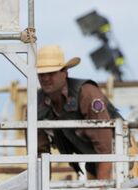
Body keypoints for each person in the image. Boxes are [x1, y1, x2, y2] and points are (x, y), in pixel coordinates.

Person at [37, 44, 122, 180]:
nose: (45, 78)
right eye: (41, 74)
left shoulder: (87, 94)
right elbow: (39, 153)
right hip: (95, 162)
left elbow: (105, 147)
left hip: (120, 161)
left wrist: (100, 188)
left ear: (64, 73)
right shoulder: (37, 104)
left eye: (51, 73)